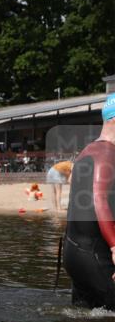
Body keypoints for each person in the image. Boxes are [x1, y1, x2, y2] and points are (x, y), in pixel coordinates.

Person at [63, 95, 115, 310]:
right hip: (94, 254)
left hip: (75, 250)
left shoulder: (87, 151)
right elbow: (98, 200)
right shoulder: (107, 154)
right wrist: (114, 245)